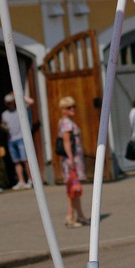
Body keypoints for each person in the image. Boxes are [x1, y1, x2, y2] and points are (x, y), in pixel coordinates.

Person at [56, 96, 88, 227]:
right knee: (73, 188)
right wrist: (71, 159)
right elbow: (66, 141)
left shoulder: (66, 121)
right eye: (69, 107)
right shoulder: (67, 123)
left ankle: (80, 215)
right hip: (72, 159)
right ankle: (70, 216)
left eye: (74, 106)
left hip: (73, 159)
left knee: (75, 188)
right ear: (63, 110)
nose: (73, 109)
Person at [0, 92, 35, 190]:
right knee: (16, 162)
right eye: (8, 103)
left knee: (25, 160)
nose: (10, 104)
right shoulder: (4, 114)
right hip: (11, 140)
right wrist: (3, 128)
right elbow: (4, 125)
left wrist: (17, 94)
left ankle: (30, 180)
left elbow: (31, 102)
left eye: (11, 102)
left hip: (21, 138)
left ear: (14, 102)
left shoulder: (20, 110)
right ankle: (21, 181)